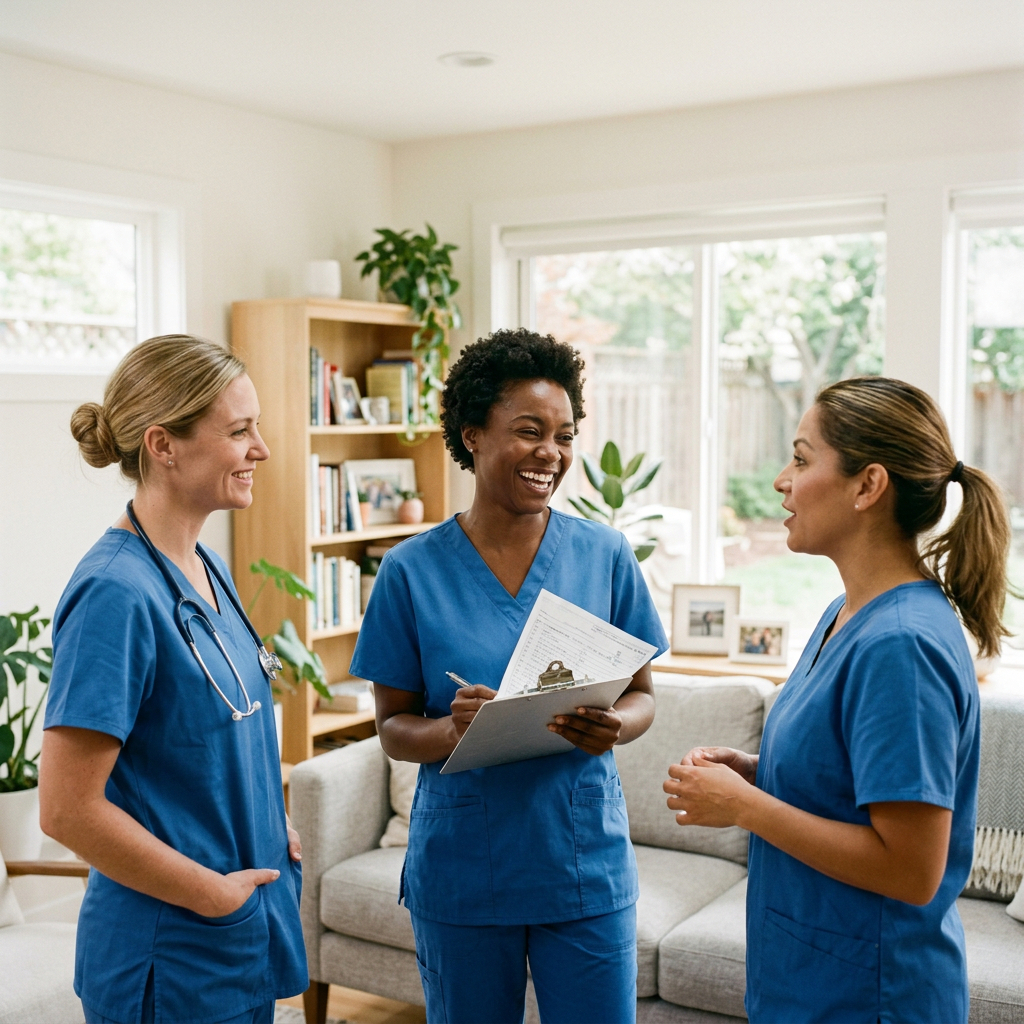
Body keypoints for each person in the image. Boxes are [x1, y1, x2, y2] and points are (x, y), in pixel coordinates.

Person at [663, 377, 1012, 1024]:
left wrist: (744, 805)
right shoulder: (843, 614)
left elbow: (911, 869)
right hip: (807, 981)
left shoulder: (900, 646)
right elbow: (848, 782)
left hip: (870, 998)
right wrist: (759, 775)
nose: (780, 480)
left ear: (867, 486)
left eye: (800, 458)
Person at [350, 328, 668, 1024]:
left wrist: (614, 725)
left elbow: (643, 696)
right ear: (473, 435)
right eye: (529, 431)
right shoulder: (410, 570)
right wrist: (451, 728)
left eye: (564, 434)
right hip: (465, 869)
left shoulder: (605, 555)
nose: (550, 453)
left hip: (581, 866)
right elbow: (394, 730)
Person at [39, 335, 307, 1024]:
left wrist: (270, 825)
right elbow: (67, 809)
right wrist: (210, 894)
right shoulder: (114, 593)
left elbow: (210, 736)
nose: (262, 449)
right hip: (170, 951)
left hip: (236, 937)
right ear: (164, 445)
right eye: (239, 431)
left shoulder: (202, 565)